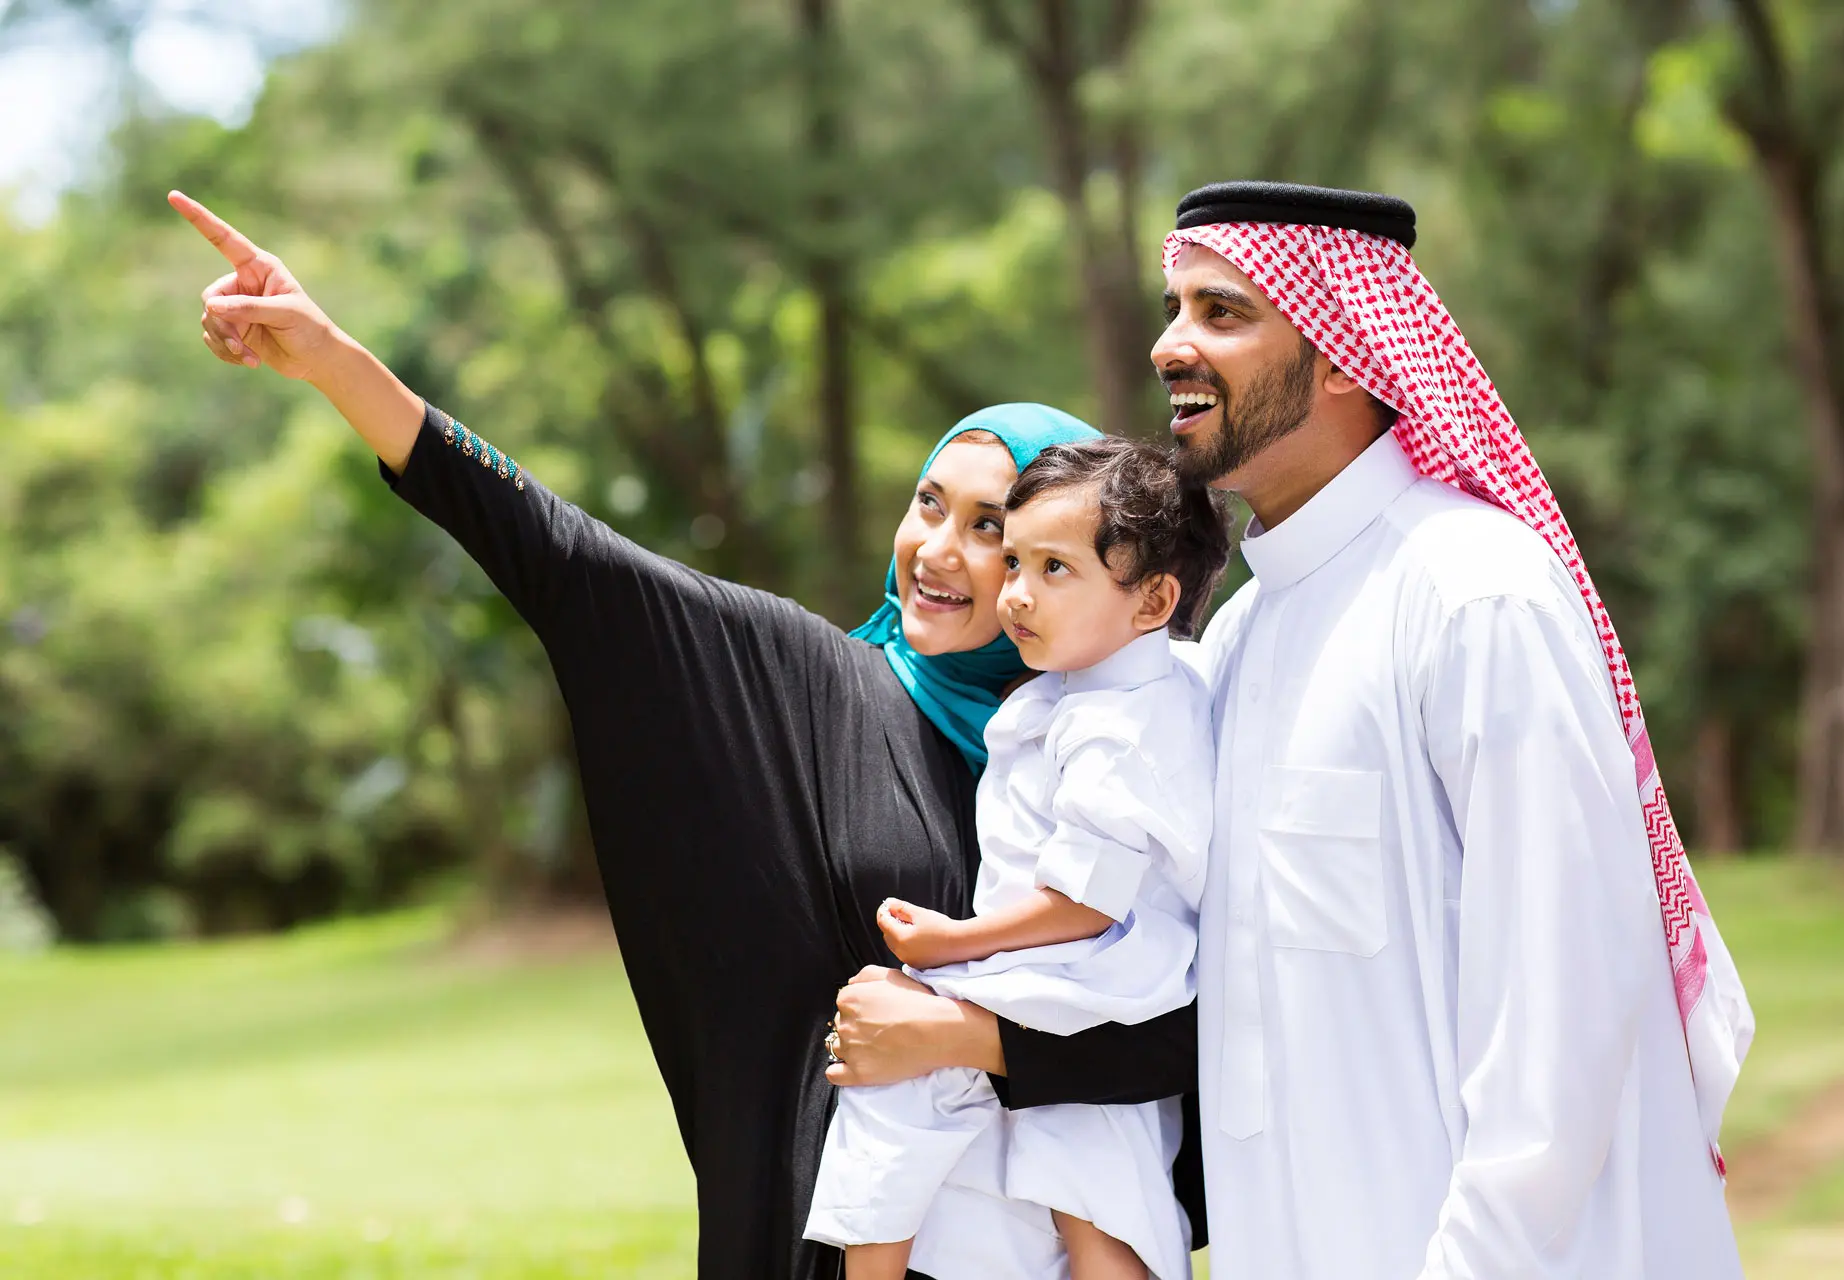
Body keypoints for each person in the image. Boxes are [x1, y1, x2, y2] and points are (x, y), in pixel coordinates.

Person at [168, 190, 1206, 1280]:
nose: (936, 551)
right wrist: (336, 363)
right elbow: (566, 561)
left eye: (993, 528)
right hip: (839, 1233)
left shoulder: (1129, 735)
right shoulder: (808, 684)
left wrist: (975, 1040)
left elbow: (1189, 1020)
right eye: (926, 502)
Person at [1151, 182, 1756, 1279]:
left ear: (1345, 349)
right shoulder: (1239, 634)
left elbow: (1562, 1016)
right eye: (1173, 307)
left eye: (1221, 311)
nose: (1170, 344)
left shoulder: (1473, 593)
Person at [805, 438, 1227, 1280]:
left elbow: (1087, 901)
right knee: (1084, 1179)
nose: (1016, 594)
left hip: (1085, 972)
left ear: (1152, 600)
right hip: (1068, 969)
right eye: (1017, 563)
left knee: (907, 1085)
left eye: (1053, 570)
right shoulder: (1091, 691)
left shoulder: (1121, 727)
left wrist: (950, 944)